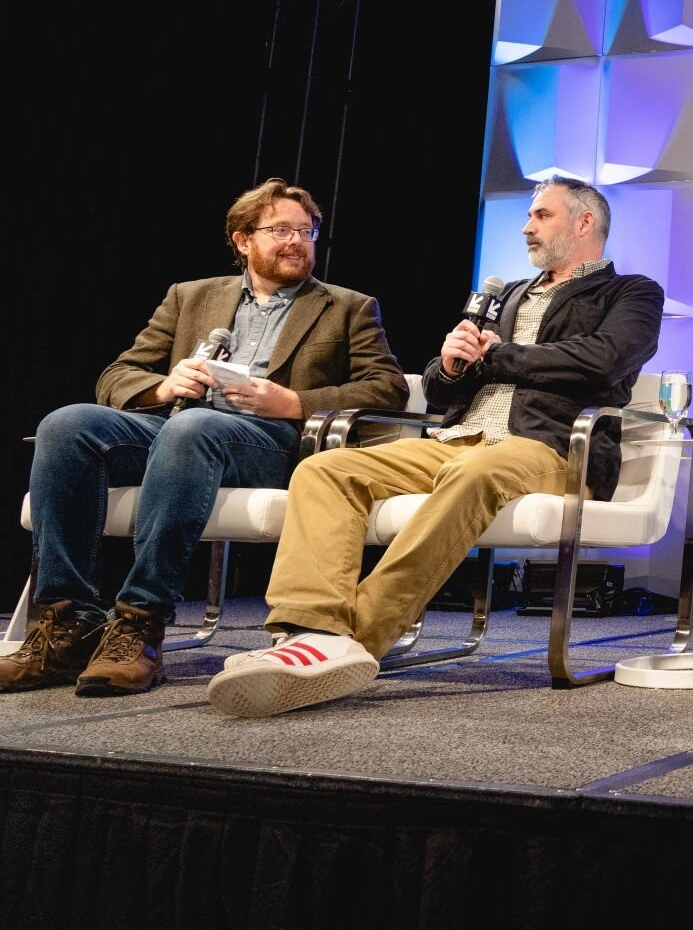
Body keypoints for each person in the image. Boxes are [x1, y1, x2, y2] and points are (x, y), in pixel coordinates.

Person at [205, 175, 661, 718]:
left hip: (552, 447)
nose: (527, 226)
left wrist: (496, 356)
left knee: (475, 472)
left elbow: (603, 360)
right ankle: (309, 626)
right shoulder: (509, 294)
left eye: (542, 215)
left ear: (585, 222)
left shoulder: (631, 292)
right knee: (327, 469)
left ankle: (354, 638)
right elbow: (443, 391)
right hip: (458, 438)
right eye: (528, 215)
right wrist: (449, 365)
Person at [2, 179, 406, 697]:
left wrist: (292, 401)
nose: (296, 242)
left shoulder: (348, 306)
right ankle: (66, 625)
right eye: (281, 230)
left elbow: (387, 387)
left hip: (270, 442)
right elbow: (117, 375)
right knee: (67, 424)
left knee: (193, 428)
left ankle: (141, 622)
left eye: (306, 232)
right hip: (176, 426)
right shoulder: (190, 296)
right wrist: (164, 386)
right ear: (243, 239)